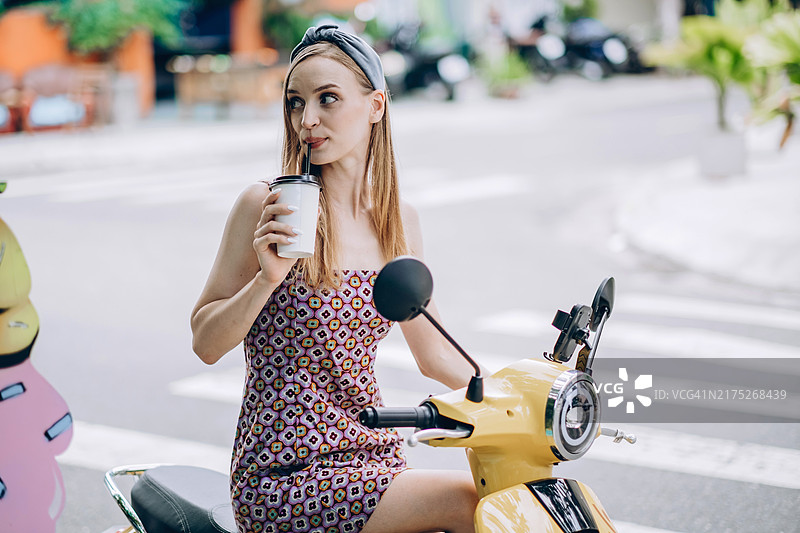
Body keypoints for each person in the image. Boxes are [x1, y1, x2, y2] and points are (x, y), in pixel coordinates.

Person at [190, 25, 479, 533]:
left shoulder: (397, 220)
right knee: (467, 500)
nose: (309, 119)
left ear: (376, 106)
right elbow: (205, 343)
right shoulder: (267, 204)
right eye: (296, 103)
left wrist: (526, 399)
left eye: (328, 99)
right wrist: (265, 280)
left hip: (374, 452)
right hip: (285, 471)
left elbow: (434, 352)